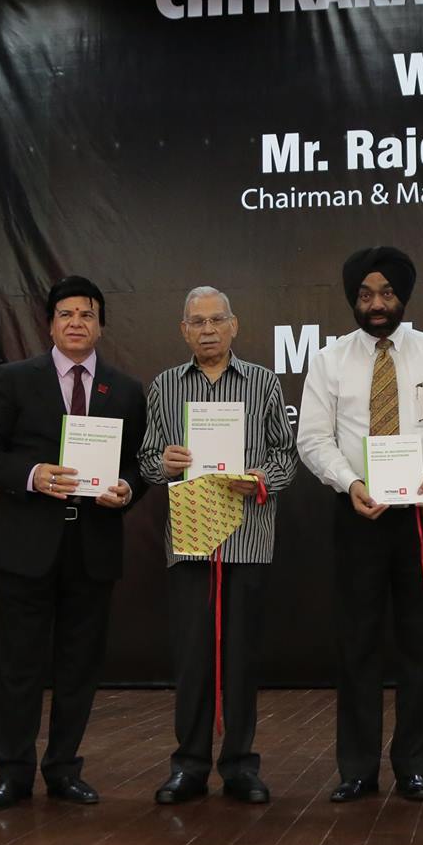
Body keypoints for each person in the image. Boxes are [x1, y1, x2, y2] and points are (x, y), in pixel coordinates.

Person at [297, 246, 423, 803]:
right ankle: (356, 769)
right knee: (357, 644)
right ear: (353, 299)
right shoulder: (330, 360)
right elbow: (313, 438)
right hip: (357, 512)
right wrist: (348, 482)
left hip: (422, 515)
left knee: (419, 644)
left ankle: (413, 767)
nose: (375, 304)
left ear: (402, 296)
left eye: (385, 293)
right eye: (365, 295)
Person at [0, 275, 149, 811]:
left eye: (87, 314)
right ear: (49, 324)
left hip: (93, 547)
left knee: (79, 667)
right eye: (66, 314)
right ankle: (12, 773)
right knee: (19, 664)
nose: (76, 323)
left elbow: (140, 463)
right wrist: (31, 475)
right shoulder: (16, 379)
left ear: (101, 326)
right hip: (28, 545)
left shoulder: (125, 389)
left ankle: (65, 768)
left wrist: (127, 489)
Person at [137, 287, 298, 805]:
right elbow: (146, 462)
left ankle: (240, 766)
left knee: (242, 659)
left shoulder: (263, 382)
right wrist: (165, 463)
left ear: (234, 325)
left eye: (216, 320)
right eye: (197, 322)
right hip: (191, 539)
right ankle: (188, 766)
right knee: (193, 660)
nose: (207, 330)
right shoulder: (164, 386)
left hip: (246, 536)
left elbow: (286, 456)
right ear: (183, 331)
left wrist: (261, 478)